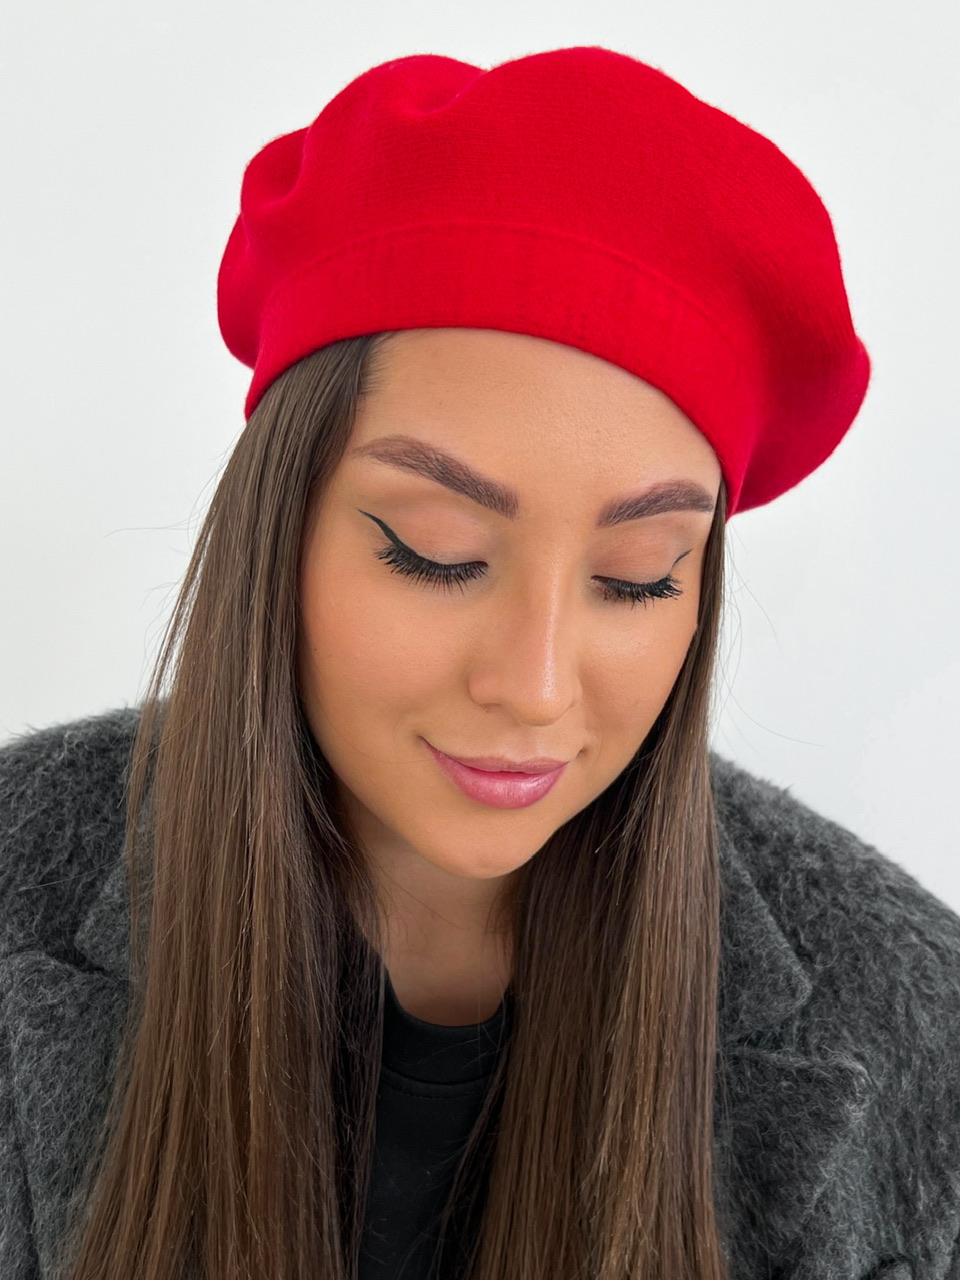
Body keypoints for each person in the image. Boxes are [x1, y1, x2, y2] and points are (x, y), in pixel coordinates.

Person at [1, 43, 959, 1280]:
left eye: (639, 576)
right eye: (436, 551)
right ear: (276, 531)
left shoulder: (915, 1021)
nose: (537, 684)